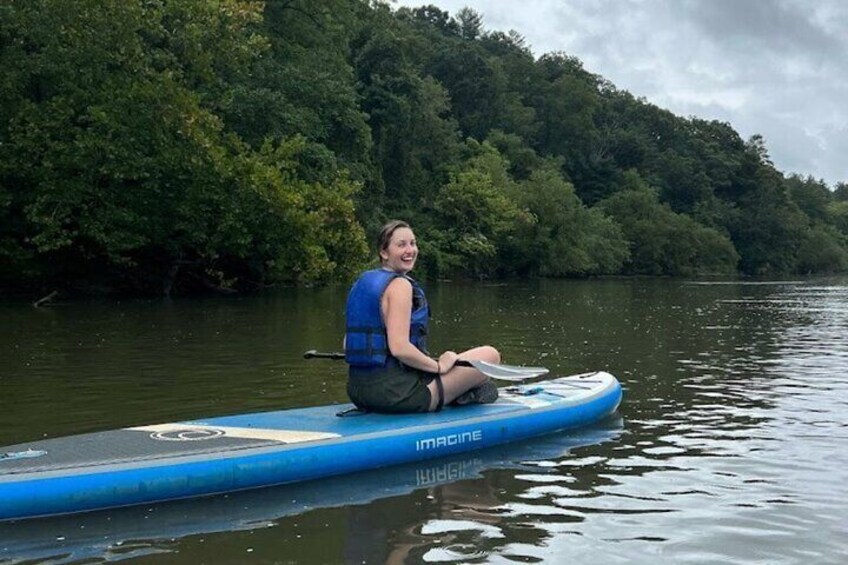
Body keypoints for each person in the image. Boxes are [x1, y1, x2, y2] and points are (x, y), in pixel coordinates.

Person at [344, 220, 501, 413]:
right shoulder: (400, 286)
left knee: (475, 372)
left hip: (358, 392)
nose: (410, 250)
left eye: (413, 243)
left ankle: (466, 390)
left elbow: (347, 344)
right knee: (489, 356)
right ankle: (465, 393)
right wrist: (438, 366)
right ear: (384, 253)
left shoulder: (362, 283)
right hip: (396, 395)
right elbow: (400, 348)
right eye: (401, 245)